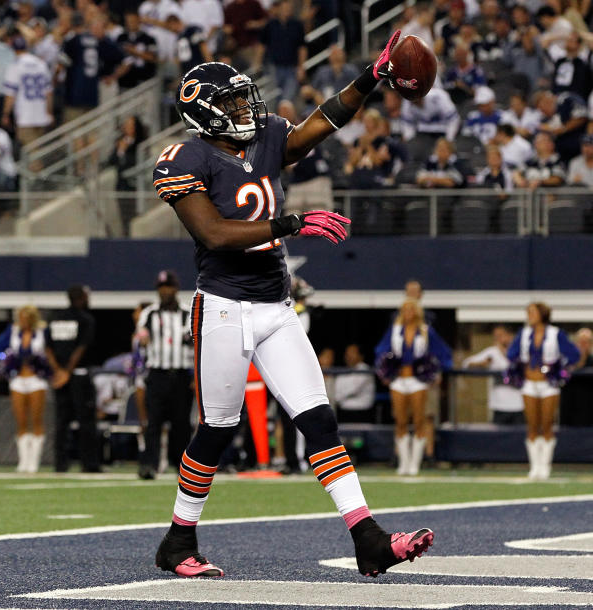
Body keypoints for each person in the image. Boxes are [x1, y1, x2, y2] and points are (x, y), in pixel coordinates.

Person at [151, 36, 434, 581]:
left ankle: (367, 536)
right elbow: (213, 234)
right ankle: (178, 538)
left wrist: (370, 77)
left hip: (276, 304)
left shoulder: (265, 139)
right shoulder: (186, 157)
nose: (246, 110)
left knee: (319, 419)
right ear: (204, 113)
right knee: (217, 429)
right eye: (232, 104)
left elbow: (320, 123)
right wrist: (291, 223)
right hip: (225, 307)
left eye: (244, 99)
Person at [375, 299, 452, 476]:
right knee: (400, 421)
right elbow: (381, 351)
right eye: (405, 309)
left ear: (417, 311)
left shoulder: (425, 331)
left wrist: (437, 371)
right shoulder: (394, 331)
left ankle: (415, 463)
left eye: (411, 309)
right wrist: (385, 372)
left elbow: (442, 351)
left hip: (418, 381)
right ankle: (404, 461)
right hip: (399, 381)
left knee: (419, 420)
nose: (408, 312)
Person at [506, 302, 579, 480]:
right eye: (528, 312)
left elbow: (574, 354)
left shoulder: (556, 333)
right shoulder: (523, 334)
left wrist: (557, 367)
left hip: (549, 384)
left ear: (542, 314)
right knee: (531, 425)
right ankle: (534, 467)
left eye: (532, 312)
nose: (529, 315)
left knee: (547, 424)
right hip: (529, 383)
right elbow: (511, 355)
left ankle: (545, 466)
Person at [134, 270, 193, 480]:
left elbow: (196, 341)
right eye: (161, 288)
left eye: (168, 287)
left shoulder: (188, 312)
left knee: (181, 423)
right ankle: (149, 464)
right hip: (157, 373)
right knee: (153, 422)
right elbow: (141, 335)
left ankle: (183, 466)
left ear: (175, 289)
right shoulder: (149, 313)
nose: (164, 291)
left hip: (180, 374)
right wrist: (142, 339)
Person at [45, 285, 99, 473]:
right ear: (82, 298)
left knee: (61, 422)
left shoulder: (55, 318)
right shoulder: (85, 319)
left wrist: (58, 371)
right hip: (78, 375)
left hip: (60, 376)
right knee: (86, 421)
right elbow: (81, 348)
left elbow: (48, 348)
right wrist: (67, 371)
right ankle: (89, 464)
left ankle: (60, 464)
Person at [0, 305, 50, 473]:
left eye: (26, 317)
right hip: (18, 380)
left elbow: (50, 352)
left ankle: (34, 461)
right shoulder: (12, 331)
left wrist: (45, 366)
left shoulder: (42, 332)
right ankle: (23, 461)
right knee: (21, 420)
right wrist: (5, 363)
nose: (22, 321)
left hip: (36, 380)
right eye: (20, 317)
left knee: (37, 420)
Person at [462, 325, 522, 424]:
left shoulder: (520, 351)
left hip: (519, 405)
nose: (498, 339)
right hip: (499, 405)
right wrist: (481, 363)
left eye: (501, 335)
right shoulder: (492, 352)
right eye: (496, 336)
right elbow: (466, 363)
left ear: (509, 336)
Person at [334, 344, 375, 424]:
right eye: (347, 353)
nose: (349, 356)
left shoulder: (365, 370)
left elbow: (352, 389)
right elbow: (336, 389)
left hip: (361, 415)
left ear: (361, 356)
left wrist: (336, 399)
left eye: (352, 353)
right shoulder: (342, 372)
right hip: (344, 414)